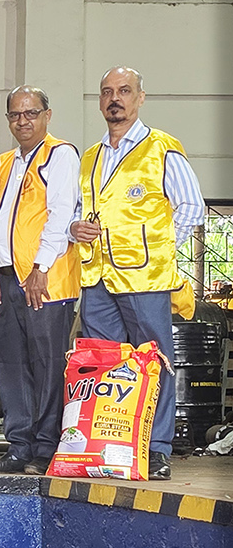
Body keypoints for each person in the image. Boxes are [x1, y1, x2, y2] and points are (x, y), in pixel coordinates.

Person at [73, 66, 207, 480]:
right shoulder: (91, 156)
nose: (116, 98)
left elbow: (192, 207)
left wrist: (159, 252)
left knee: (155, 359)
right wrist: (74, 228)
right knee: (105, 365)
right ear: (99, 101)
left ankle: (158, 448)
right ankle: (112, 443)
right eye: (108, 92)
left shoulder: (162, 147)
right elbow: (82, 210)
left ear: (140, 98)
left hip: (146, 280)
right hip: (97, 278)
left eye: (125, 91)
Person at [0, 86, 81, 475]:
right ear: (8, 120)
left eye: (31, 113)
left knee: (47, 363)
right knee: (11, 364)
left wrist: (39, 268)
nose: (23, 121)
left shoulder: (60, 154)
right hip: (4, 280)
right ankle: (19, 446)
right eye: (15, 115)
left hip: (46, 279)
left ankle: (46, 449)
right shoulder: (2, 164)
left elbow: (59, 215)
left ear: (47, 115)